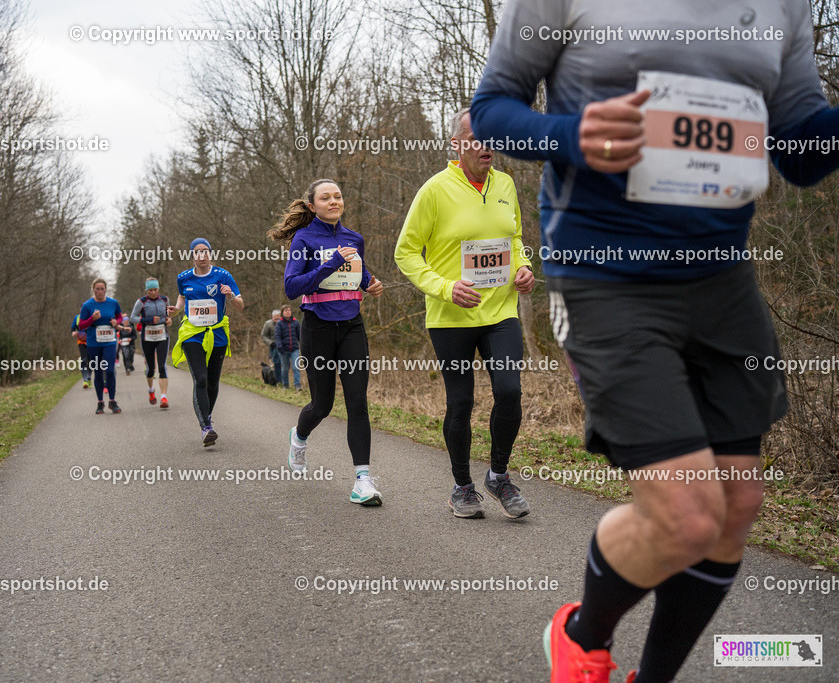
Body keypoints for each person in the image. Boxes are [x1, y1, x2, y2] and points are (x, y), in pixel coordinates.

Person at [471, 1, 839, 681]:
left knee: (737, 506)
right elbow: (492, 108)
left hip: (722, 279)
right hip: (604, 273)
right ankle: (580, 636)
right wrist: (572, 134)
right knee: (690, 514)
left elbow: (800, 151)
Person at [395, 107, 534, 520]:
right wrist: (445, 288)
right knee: (460, 403)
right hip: (450, 317)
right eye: (476, 137)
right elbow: (405, 252)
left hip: (500, 311)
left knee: (509, 392)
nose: (486, 144)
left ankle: (498, 476)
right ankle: (461, 486)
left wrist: (524, 267)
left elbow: (515, 238)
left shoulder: (506, 184)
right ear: (457, 144)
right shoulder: (435, 190)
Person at [268, 178, 385, 506]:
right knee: (322, 405)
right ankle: (299, 437)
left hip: (352, 327)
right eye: (326, 197)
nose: (334, 201)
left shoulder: (354, 239)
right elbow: (292, 288)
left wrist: (370, 284)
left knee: (357, 403)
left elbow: (357, 275)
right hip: (317, 327)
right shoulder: (303, 239)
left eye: (338, 196)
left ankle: (362, 480)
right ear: (312, 206)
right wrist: (329, 263)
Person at [169, 238, 243, 446]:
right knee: (200, 379)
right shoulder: (183, 278)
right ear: (192, 255)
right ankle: (206, 427)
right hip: (192, 333)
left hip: (217, 333)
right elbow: (182, 298)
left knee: (212, 382)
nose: (201, 256)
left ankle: (206, 417)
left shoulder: (223, 276)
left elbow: (240, 305)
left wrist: (230, 296)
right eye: (197, 252)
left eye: (205, 251)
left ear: (210, 253)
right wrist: (176, 310)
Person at [78, 278, 123, 414]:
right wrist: (92, 319)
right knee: (98, 372)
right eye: (97, 289)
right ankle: (100, 403)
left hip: (109, 341)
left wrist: (116, 322)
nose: (100, 291)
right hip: (93, 342)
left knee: (109, 370)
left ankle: (112, 401)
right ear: (93, 290)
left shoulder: (113, 303)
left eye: (102, 289)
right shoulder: (87, 305)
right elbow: (81, 325)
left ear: (105, 289)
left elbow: (120, 317)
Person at [131, 278, 172, 408]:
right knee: (150, 369)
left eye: (155, 290)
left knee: (162, 367)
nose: (153, 292)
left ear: (158, 289)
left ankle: (164, 397)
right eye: (150, 290)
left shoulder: (165, 300)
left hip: (162, 336)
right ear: (146, 290)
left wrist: (168, 320)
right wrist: (148, 320)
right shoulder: (141, 302)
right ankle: (151, 391)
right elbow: (133, 318)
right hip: (147, 337)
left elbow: (168, 315)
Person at [274, 305, 301, 391]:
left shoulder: (296, 322)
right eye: (286, 310)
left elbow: (300, 335)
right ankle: (285, 385)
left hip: (294, 349)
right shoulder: (279, 323)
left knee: (296, 367)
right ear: (282, 312)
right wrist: (280, 347)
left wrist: (303, 345)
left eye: (289, 310)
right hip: (283, 350)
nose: (288, 312)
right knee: (285, 369)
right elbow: (277, 336)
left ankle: (297, 385)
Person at [261, 309, 283, 385]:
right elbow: (263, 336)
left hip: (283, 346)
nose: (277, 321)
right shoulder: (268, 324)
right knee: (274, 364)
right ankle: (275, 381)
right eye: (275, 319)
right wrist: (271, 343)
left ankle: (283, 381)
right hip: (273, 347)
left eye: (278, 319)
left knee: (283, 364)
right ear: (272, 317)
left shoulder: (284, 323)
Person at [72, 313, 91, 389]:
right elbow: (73, 328)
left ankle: (89, 377)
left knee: (91, 361)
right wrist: (73, 332)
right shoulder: (77, 317)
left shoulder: (92, 316)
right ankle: (85, 380)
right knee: (84, 360)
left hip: (91, 342)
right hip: (81, 341)